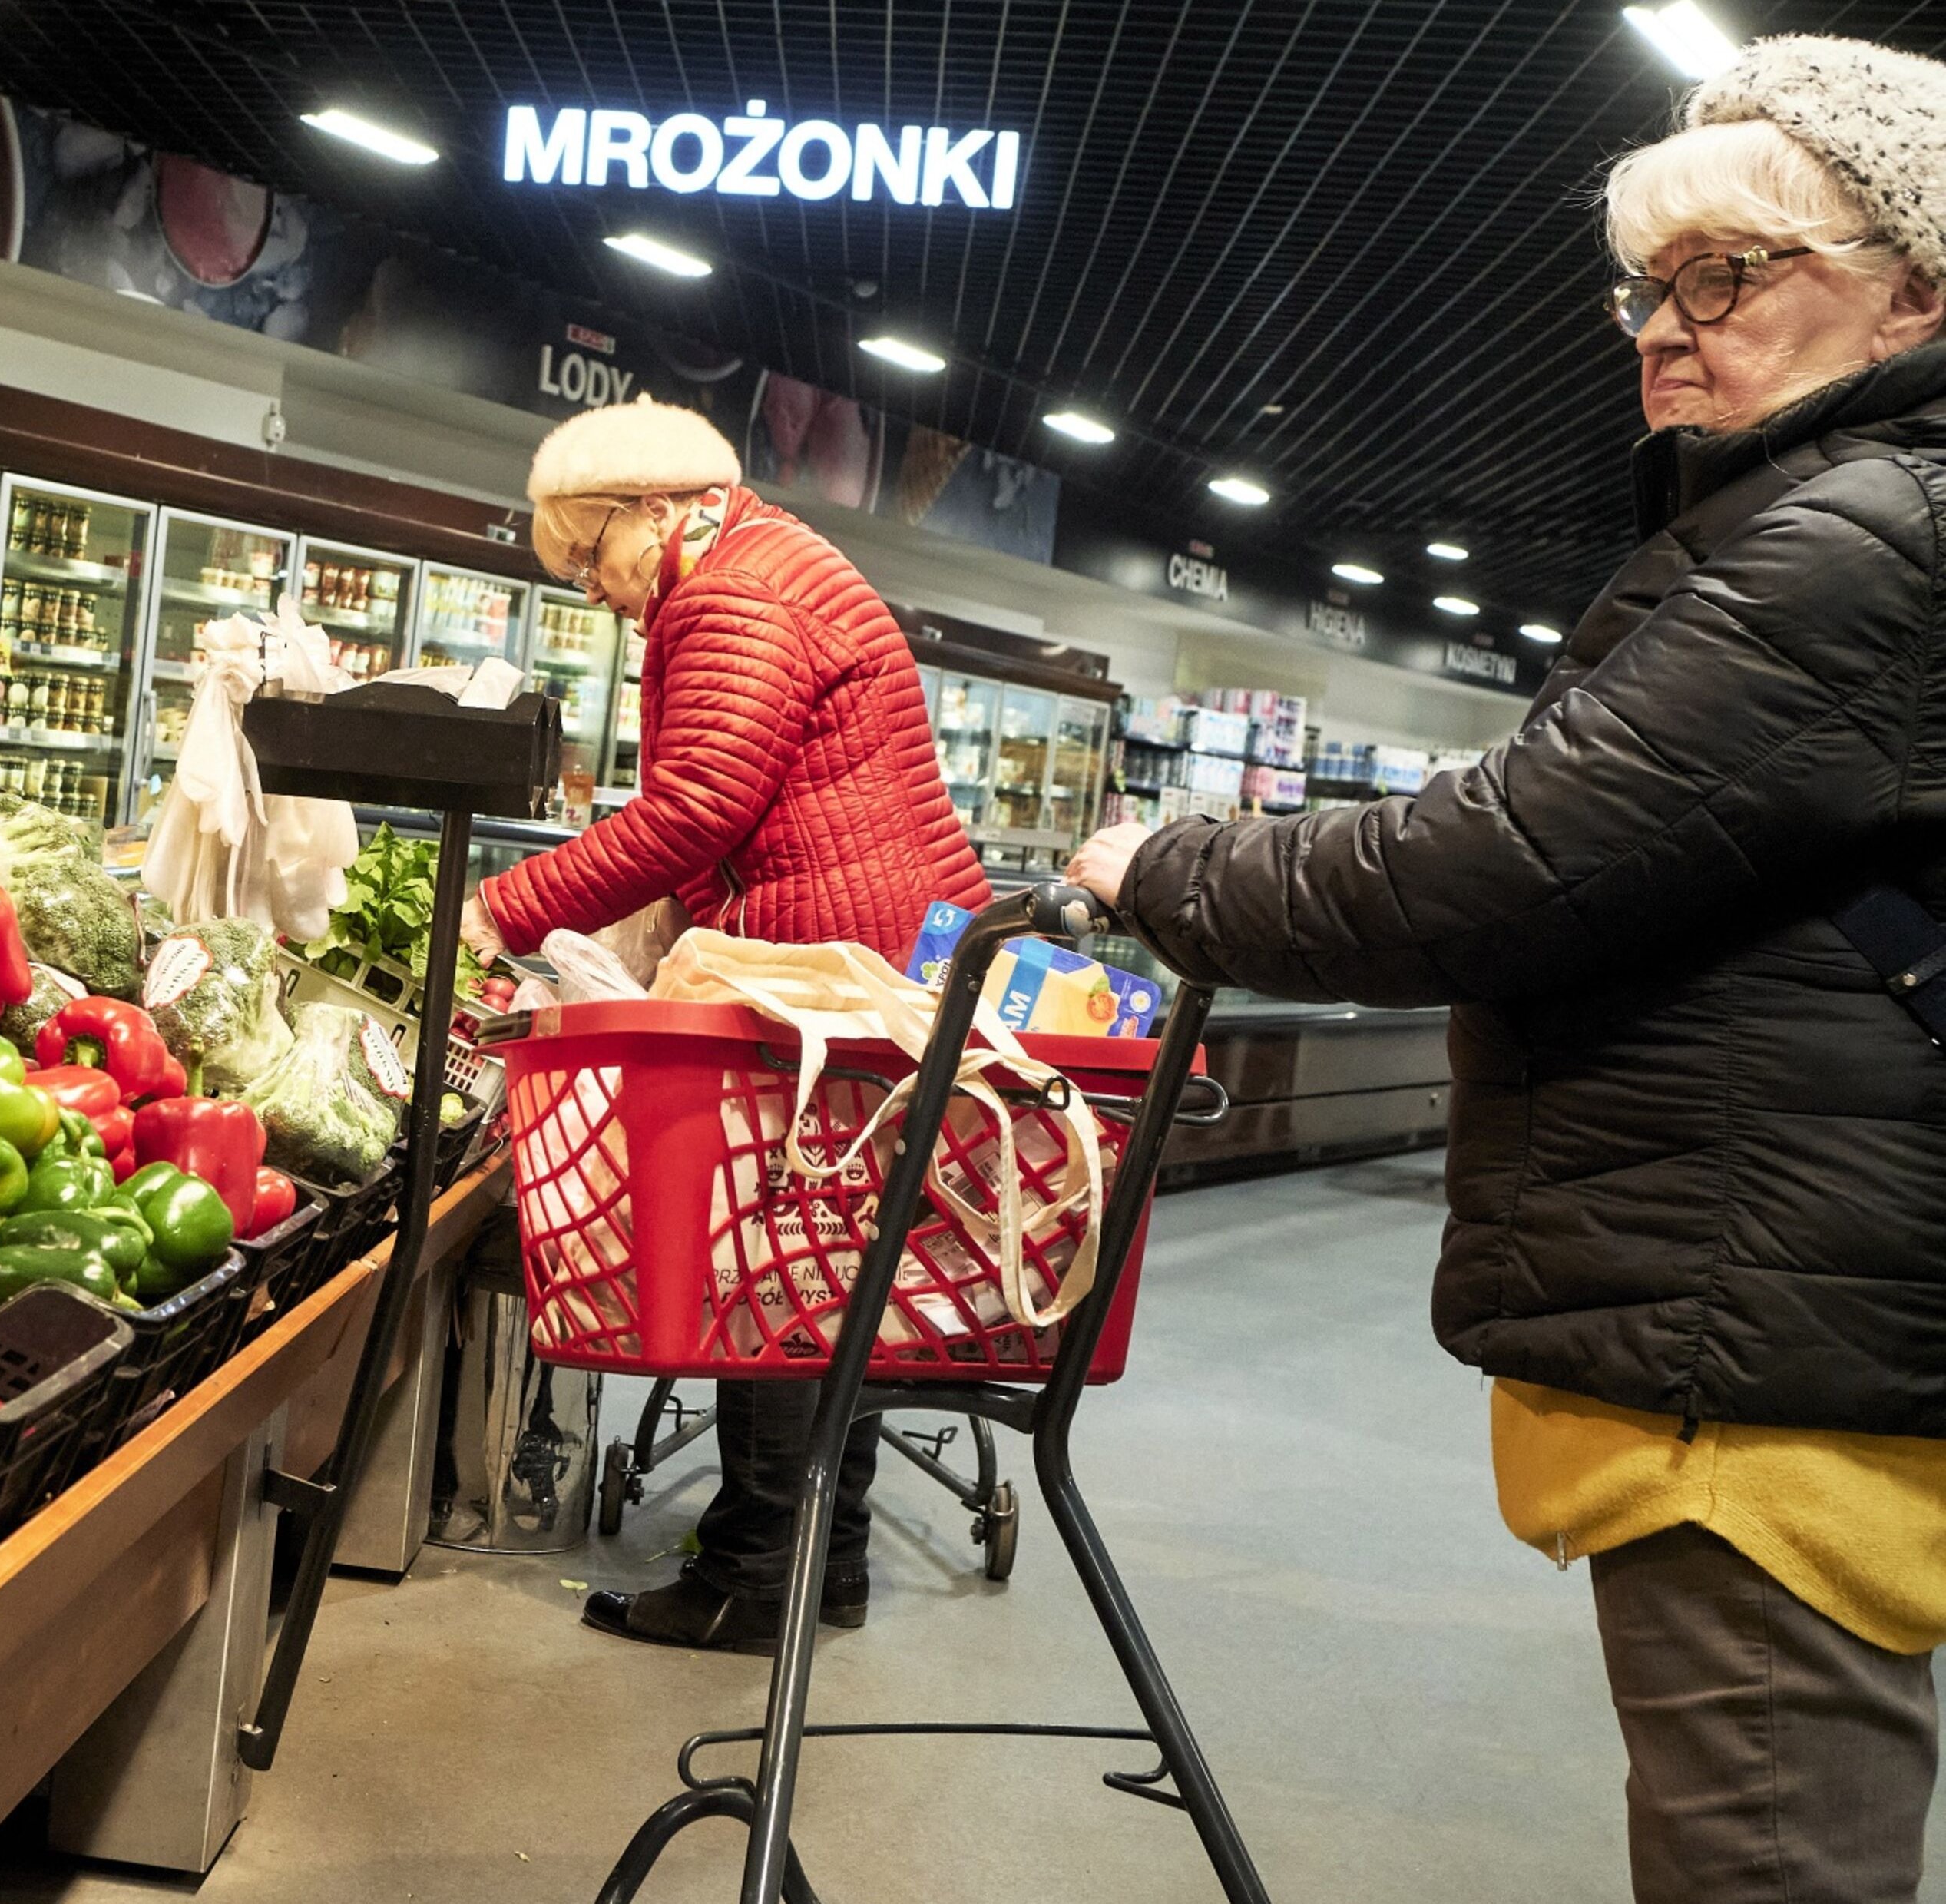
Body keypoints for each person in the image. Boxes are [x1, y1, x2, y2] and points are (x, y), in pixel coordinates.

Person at [1068, 37, 1946, 1903]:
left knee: (1765, 1850)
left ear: (1919, 284)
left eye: (1729, 273)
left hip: (1762, 1341)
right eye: (1648, 281)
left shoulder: (1856, 536)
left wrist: (1168, 865)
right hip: (1783, 1293)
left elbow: (1493, 867)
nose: (1664, 324)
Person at [455, 396, 988, 1652]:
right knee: (828, 1267)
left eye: (590, 555)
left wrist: (505, 907)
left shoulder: (732, 594)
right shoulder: (767, 558)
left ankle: (758, 1571)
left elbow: (698, 803)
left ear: (651, 507)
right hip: (865, 952)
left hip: (824, 963)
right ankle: (814, 1563)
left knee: (775, 1263)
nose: (593, 588)